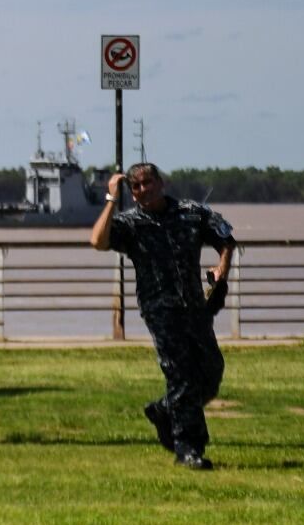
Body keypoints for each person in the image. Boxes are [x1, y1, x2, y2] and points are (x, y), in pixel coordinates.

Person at [90, 162, 235, 470]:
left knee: (210, 372)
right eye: (136, 187)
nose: (143, 190)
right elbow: (98, 241)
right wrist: (111, 200)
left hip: (195, 307)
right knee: (180, 374)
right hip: (160, 309)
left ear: (161, 183)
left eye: (148, 183)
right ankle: (188, 448)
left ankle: (163, 410)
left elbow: (225, 236)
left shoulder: (191, 213)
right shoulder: (131, 223)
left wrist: (222, 267)